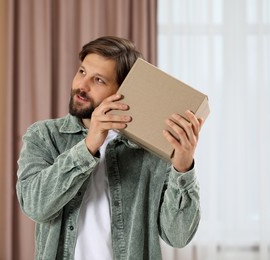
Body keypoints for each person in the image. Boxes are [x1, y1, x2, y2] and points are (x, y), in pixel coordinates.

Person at [16, 36, 203, 260]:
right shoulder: (44, 136)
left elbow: (178, 236)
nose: (82, 86)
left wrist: (183, 169)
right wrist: (88, 146)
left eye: (99, 80)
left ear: (124, 90)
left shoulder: (152, 150)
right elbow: (35, 206)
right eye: (82, 72)